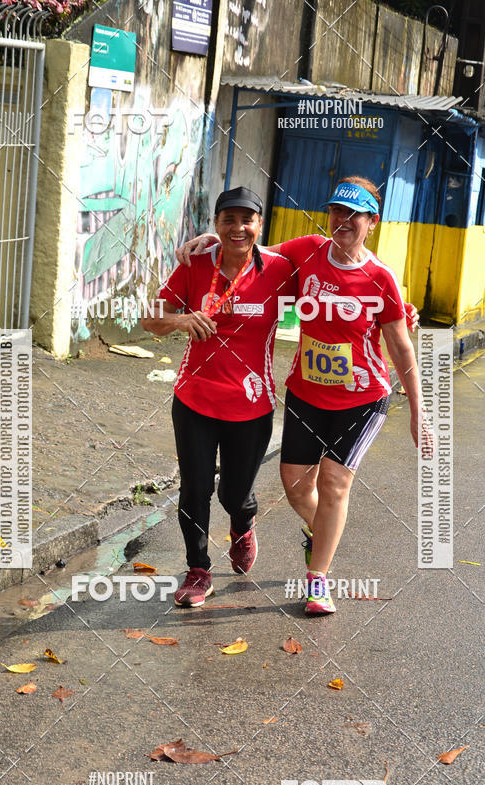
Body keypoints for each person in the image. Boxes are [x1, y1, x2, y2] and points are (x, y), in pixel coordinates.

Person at [177, 176, 422, 615]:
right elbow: (253, 249)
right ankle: (324, 532)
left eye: (354, 215)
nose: (343, 221)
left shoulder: (380, 277)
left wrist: (418, 410)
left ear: (372, 222)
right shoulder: (307, 249)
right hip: (306, 394)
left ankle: (317, 580)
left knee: (333, 484)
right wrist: (214, 236)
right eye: (336, 212)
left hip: (361, 398)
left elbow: (401, 345)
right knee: (295, 488)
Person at [142, 186, 297, 607]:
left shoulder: (280, 269)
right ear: (216, 224)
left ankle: (243, 524)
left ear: (259, 226)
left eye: (247, 220)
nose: (238, 228)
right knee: (195, 487)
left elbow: (330, 280)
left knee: (233, 492)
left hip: (252, 403)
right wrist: (179, 318)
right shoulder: (195, 265)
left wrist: (388, 313)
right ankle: (198, 569)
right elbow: (148, 320)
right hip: (194, 398)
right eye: (228, 220)